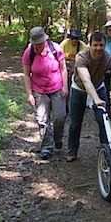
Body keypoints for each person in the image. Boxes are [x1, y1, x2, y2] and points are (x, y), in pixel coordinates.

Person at [66, 32, 111, 162]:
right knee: (75, 122)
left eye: (101, 45)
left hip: (98, 87)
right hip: (79, 89)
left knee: (104, 120)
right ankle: (72, 150)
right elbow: (86, 80)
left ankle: (106, 150)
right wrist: (96, 99)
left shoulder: (108, 58)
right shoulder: (81, 57)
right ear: (90, 45)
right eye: (95, 45)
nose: (98, 48)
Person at [22, 26, 68, 160]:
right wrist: (29, 93)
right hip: (39, 90)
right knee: (42, 119)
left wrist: (65, 86)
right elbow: (26, 74)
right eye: (36, 44)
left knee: (60, 117)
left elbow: (63, 68)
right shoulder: (29, 52)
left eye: (40, 43)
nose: (38, 46)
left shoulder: (55, 49)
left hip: (57, 87)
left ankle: (57, 139)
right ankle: (46, 147)